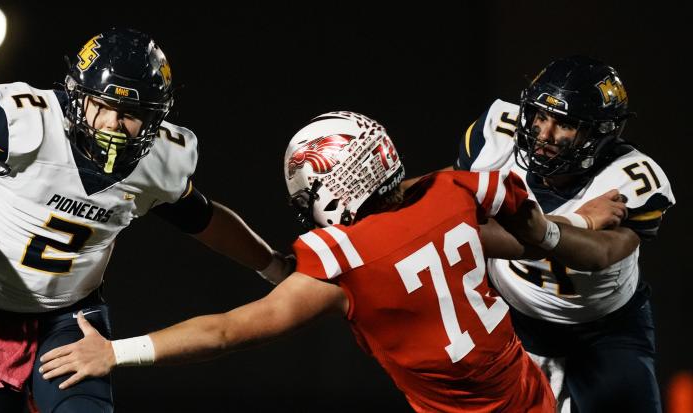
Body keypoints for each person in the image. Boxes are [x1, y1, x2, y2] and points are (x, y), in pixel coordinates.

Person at [36, 110, 635, 412]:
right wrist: (579, 222)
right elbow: (521, 233)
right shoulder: (455, 193)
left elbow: (226, 332)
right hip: (528, 394)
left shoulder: (341, 257)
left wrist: (116, 350)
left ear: (327, 184)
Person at [0, 28, 290, 412]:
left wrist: (271, 264)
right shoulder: (26, 125)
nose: (113, 124)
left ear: (155, 118)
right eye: (104, 105)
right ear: (78, 95)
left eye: (132, 113)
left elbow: (204, 219)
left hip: (68, 318)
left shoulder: (158, 162)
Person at [454, 56, 675, 412]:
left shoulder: (630, 178)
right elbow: (456, 221)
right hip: (510, 315)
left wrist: (546, 230)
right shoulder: (496, 135)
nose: (544, 134)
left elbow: (600, 254)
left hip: (605, 329)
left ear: (602, 132)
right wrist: (578, 222)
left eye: (565, 124)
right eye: (540, 116)